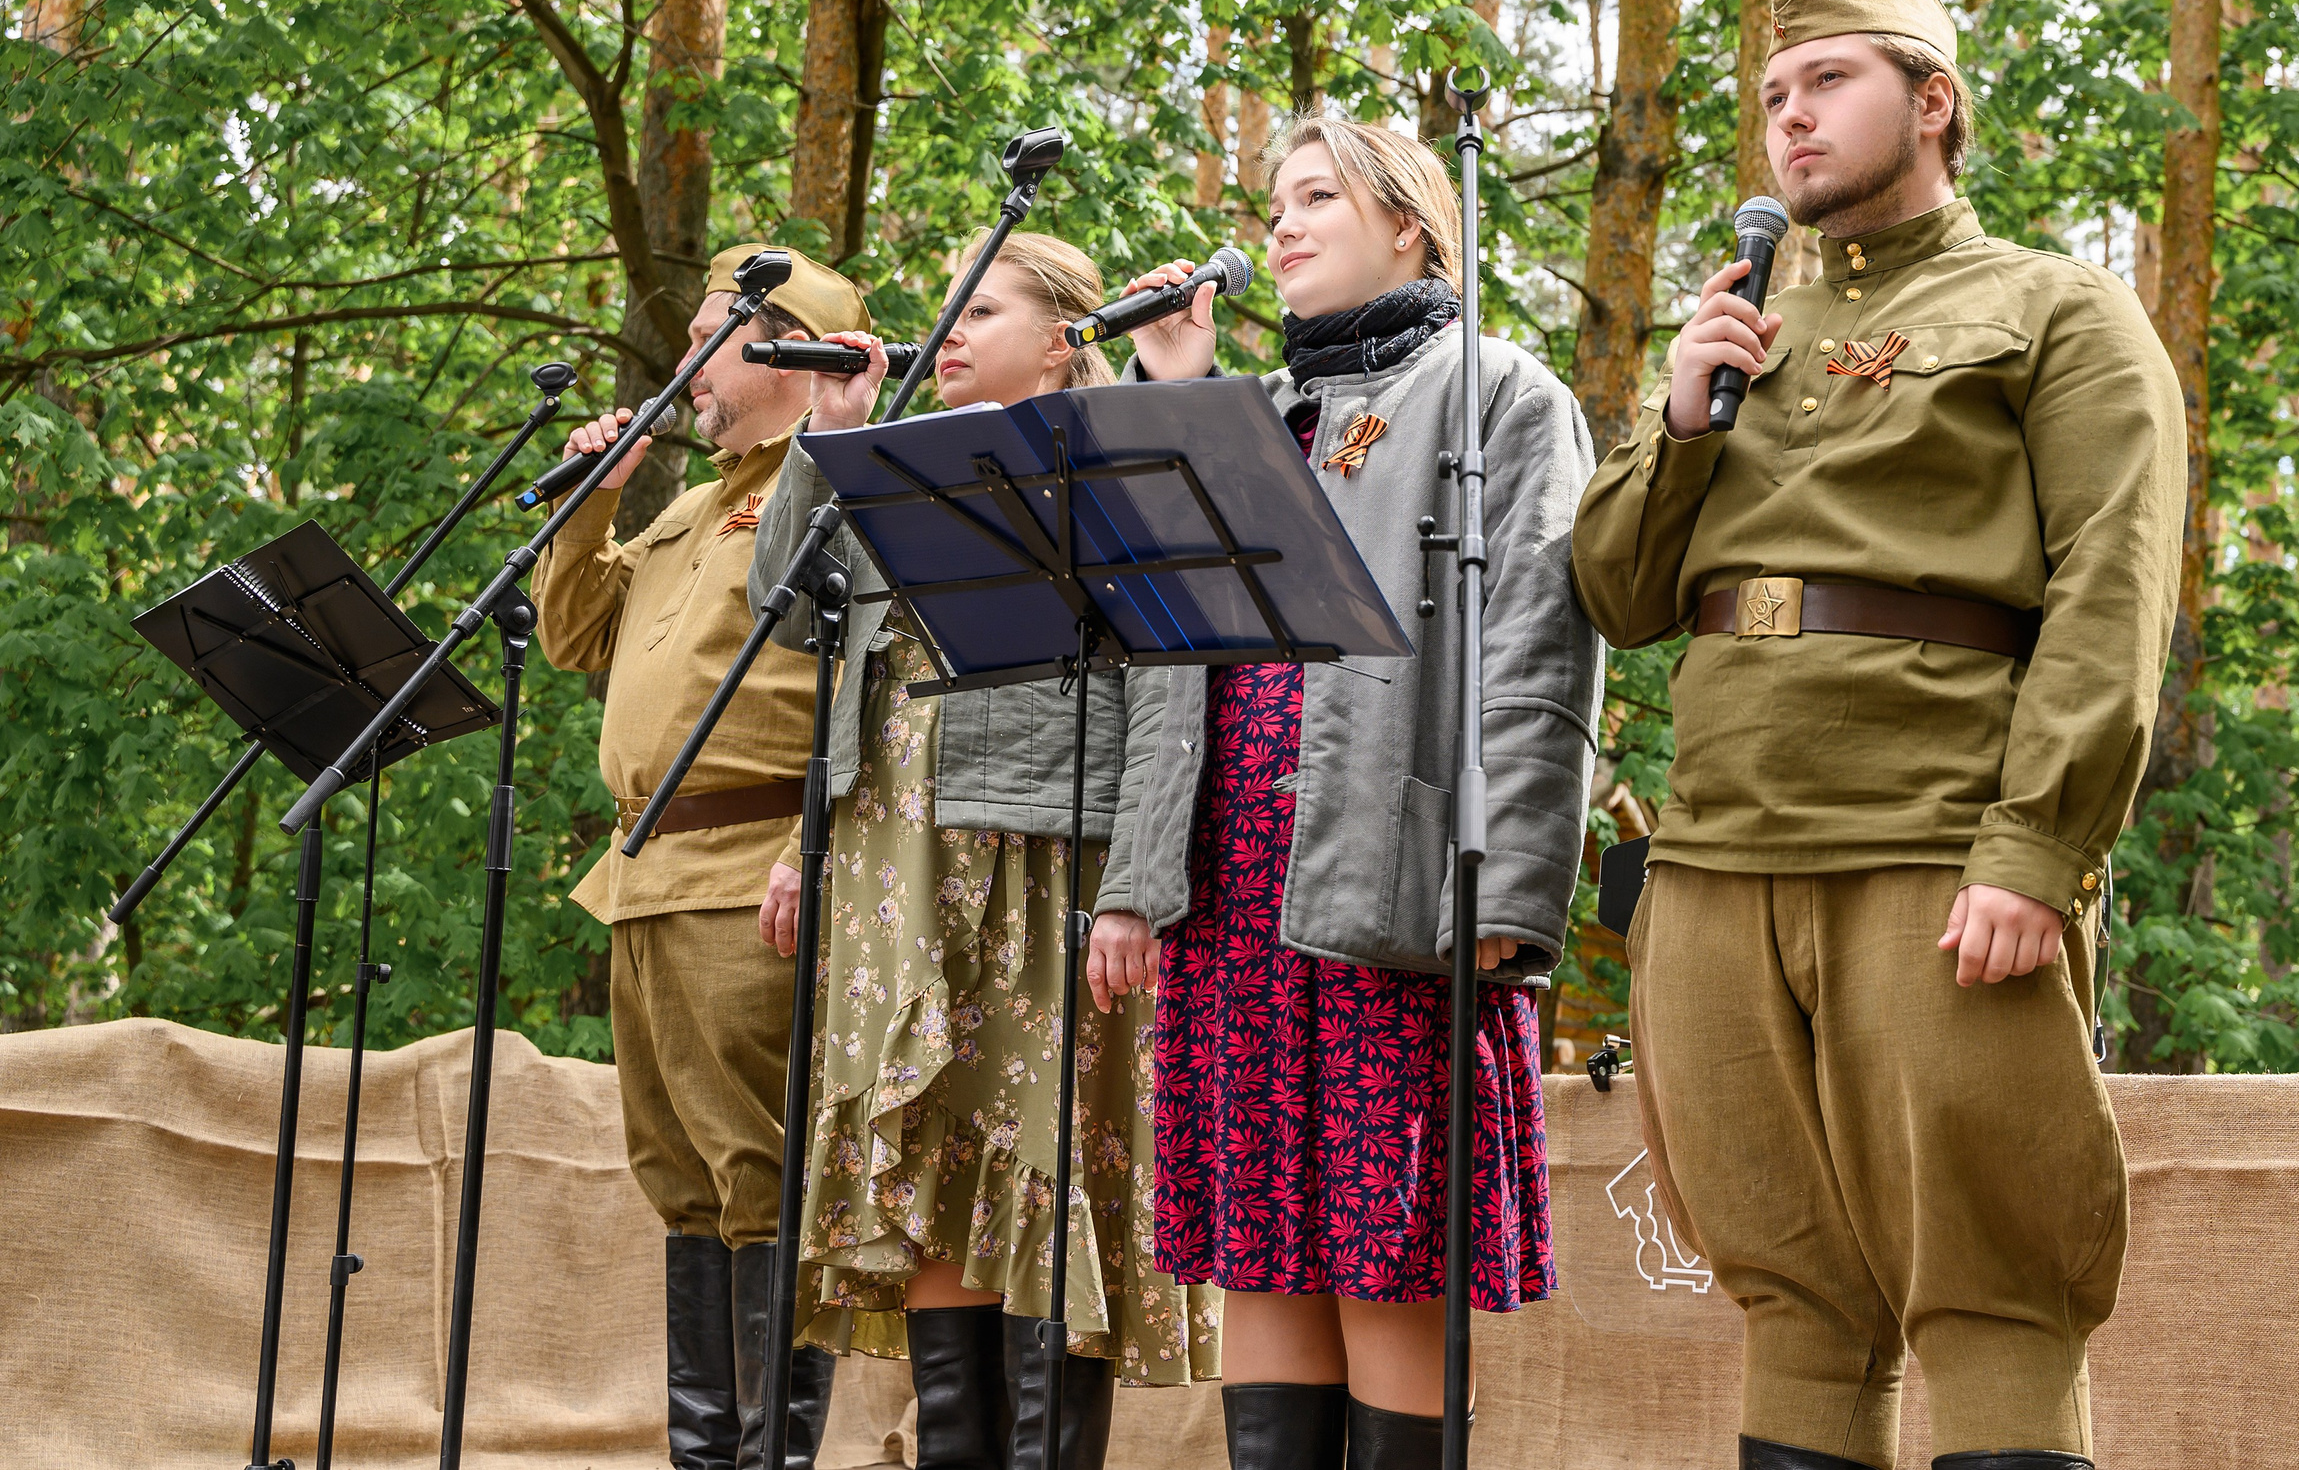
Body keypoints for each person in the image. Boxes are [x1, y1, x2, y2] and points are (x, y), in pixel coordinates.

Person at [1571, 0, 2186, 1470]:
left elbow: (2114, 595)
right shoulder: (1734, 327)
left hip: (1932, 849)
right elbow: (1618, 597)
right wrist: (1678, 424)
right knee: (1790, 1295)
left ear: (1933, 101)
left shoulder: (2056, 310)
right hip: (1716, 861)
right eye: (1773, 91)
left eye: (1827, 80)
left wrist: (2036, 849)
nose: (1789, 115)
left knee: (1991, 1289)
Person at [1088, 115, 1604, 1470]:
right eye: (1277, 201)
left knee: (1383, 1263)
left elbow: (1543, 660)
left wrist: (1510, 897)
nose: (1284, 223)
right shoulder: (1250, 416)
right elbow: (1169, 655)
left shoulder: (1502, 392)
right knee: (1260, 1256)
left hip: (1399, 900)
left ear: (1412, 225)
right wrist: (1180, 395)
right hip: (1235, 902)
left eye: (1318, 195)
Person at [749, 230, 1219, 1470]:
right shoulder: (894, 461)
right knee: (936, 1183)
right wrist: (829, 432)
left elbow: (1178, 686)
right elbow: (789, 615)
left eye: (982, 309)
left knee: (1040, 1170)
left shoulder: (1124, 463)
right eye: (944, 310)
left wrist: (1138, 888)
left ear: (1066, 336)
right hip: (891, 862)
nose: (945, 331)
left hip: (1038, 860)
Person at [531, 244, 871, 1470]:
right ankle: (702, 1457)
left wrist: (810, 845)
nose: (684, 367)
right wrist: (595, 502)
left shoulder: (836, 479)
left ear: (782, 345)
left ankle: (768, 1458)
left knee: (758, 1183)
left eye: (709, 341)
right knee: (680, 1186)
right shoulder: (691, 496)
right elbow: (574, 636)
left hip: (750, 875)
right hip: (642, 878)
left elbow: (871, 690)